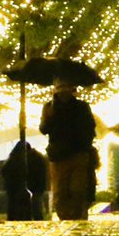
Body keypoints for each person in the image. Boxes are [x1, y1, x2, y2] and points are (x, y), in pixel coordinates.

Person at [41, 82, 98, 220]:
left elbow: (90, 127)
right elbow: (44, 129)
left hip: (78, 153)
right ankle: (65, 218)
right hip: (59, 155)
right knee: (60, 191)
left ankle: (78, 217)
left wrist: (84, 144)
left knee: (77, 189)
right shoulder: (50, 107)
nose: (64, 94)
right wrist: (48, 117)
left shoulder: (81, 107)